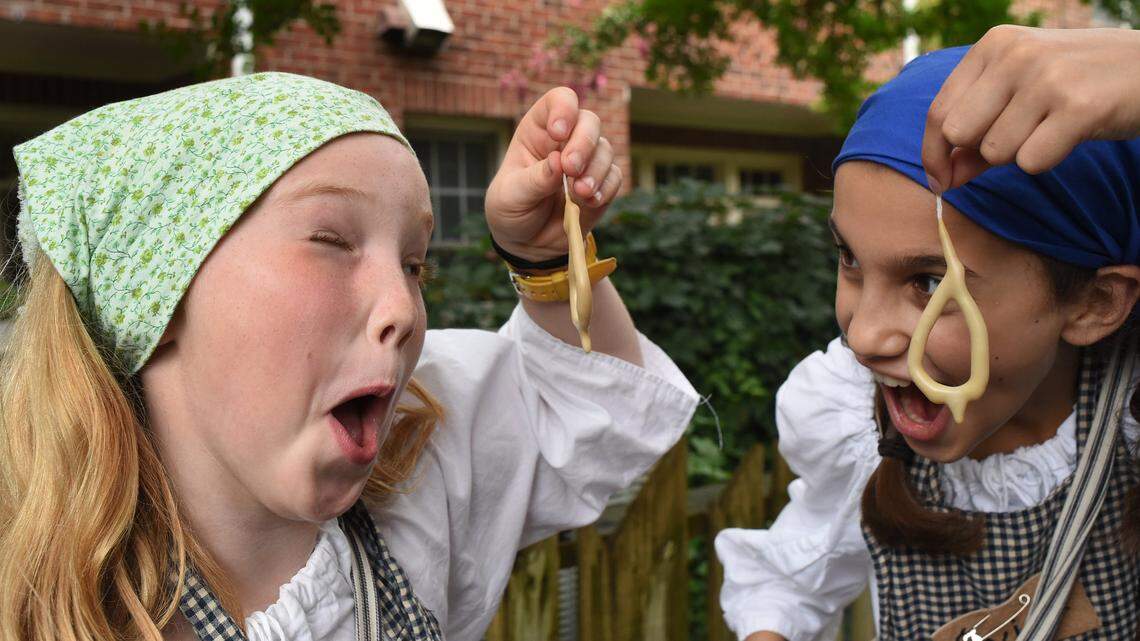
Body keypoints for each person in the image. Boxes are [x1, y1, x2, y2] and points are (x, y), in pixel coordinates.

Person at [0, 72, 699, 641]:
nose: (401, 306)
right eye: (332, 241)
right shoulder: (39, 600)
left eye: (415, 264)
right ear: (160, 290)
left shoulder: (419, 478)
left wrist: (547, 257)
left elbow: (588, 407)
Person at [716, 26, 1140, 641]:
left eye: (928, 283)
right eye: (850, 259)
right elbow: (794, 571)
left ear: (1095, 303)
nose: (863, 338)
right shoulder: (853, 424)